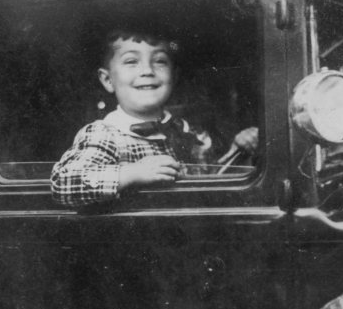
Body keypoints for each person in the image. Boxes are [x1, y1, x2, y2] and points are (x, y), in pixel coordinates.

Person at [50, 29, 258, 207]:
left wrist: (238, 151)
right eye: (131, 61)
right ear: (107, 79)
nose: (147, 71)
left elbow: (212, 185)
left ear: (173, 76)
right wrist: (131, 173)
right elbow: (64, 183)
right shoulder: (104, 134)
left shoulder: (190, 132)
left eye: (159, 61)